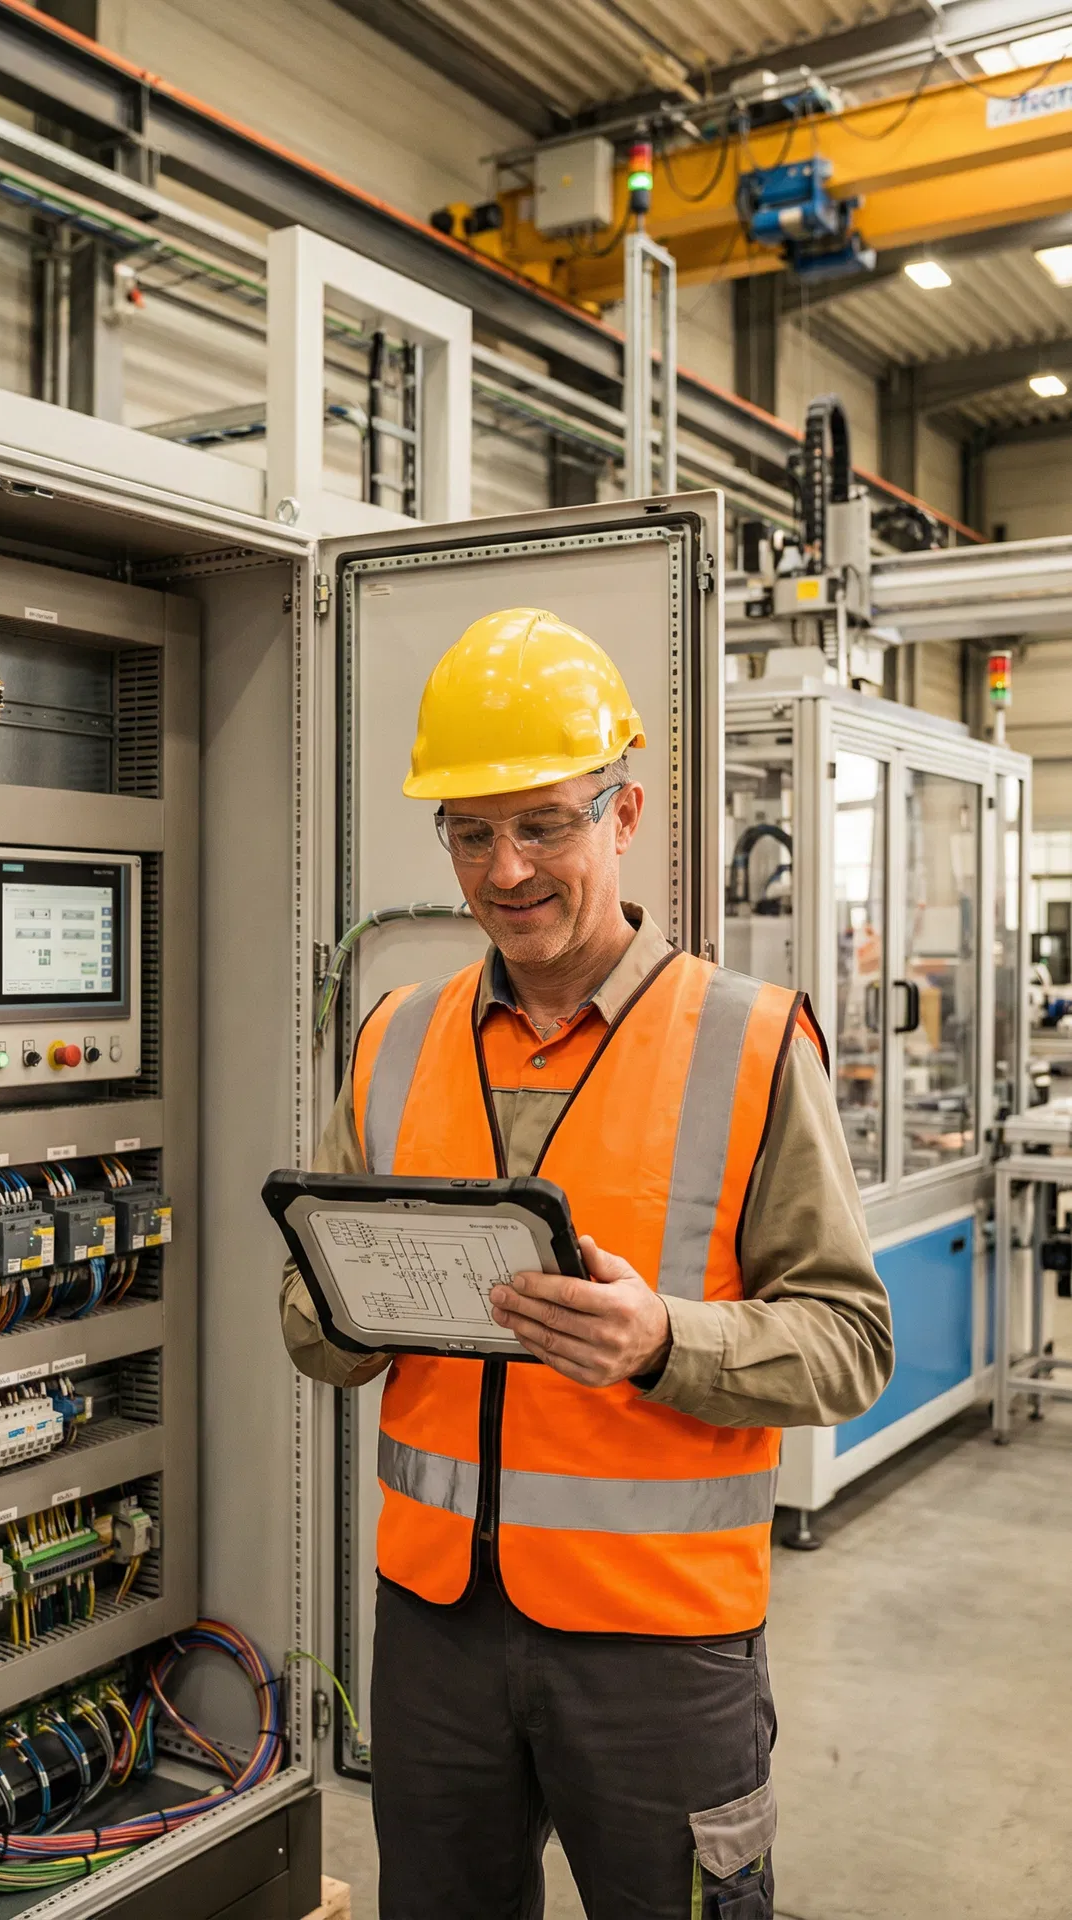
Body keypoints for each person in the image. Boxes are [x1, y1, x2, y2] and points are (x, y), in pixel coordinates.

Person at [279, 608, 894, 1920]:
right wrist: (357, 1311)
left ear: (620, 817)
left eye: (543, 823)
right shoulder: (393, 1040)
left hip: (659, 1646)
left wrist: (664, 1340)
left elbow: (849, 1338)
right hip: (436, 1631)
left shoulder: (745, 1042)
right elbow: (306, 1321)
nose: (506, 868)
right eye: (470, 832)